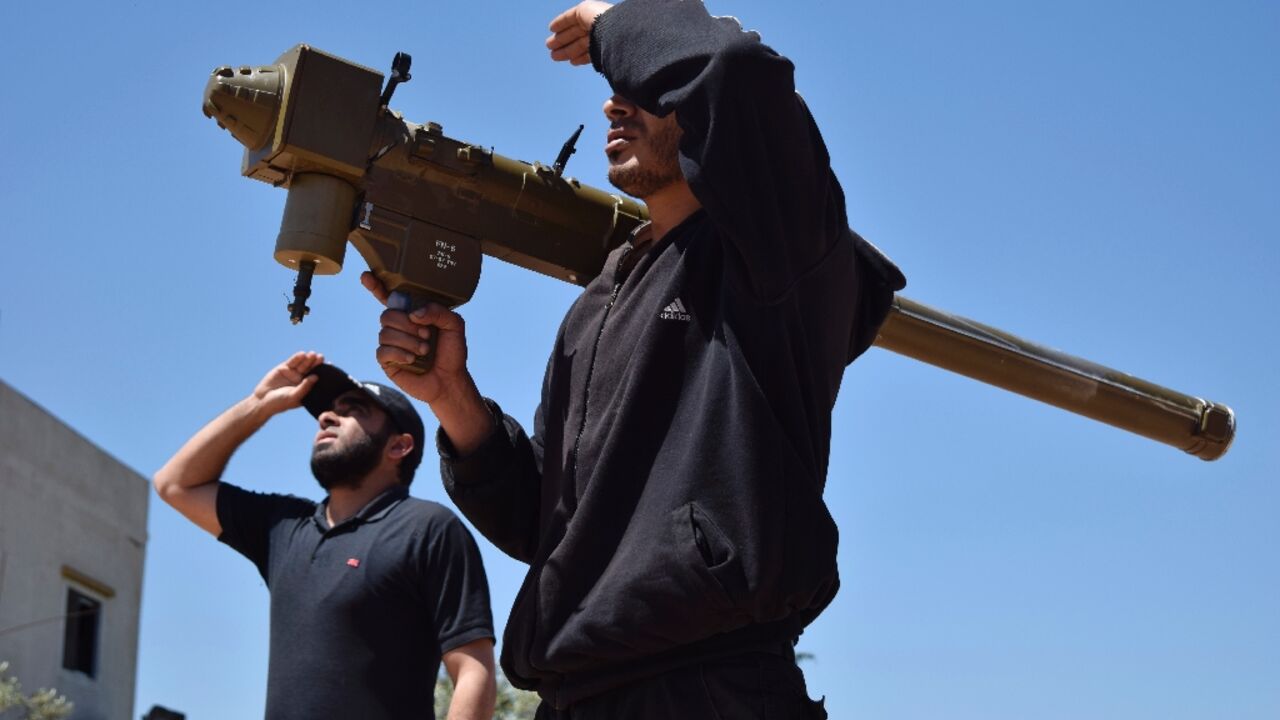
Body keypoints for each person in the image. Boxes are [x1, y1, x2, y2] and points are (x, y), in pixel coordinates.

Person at [366, 0, 906, 717]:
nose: (614, 105)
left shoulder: (774, 252)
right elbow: (548, 525)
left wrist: (613, 24)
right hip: (575, 691)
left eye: (649, 89)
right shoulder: (598, 303)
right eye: (617, 89)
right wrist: (451, 397)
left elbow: (738, 70)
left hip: (708, 690)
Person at [153, 351, 497, 720]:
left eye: (354, 411)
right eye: (328, 411)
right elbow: (174, 484)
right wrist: (258, 405)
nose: (327, 417)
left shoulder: (428, 528)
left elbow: (473, 670)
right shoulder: (284, 526)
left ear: (398, 446)